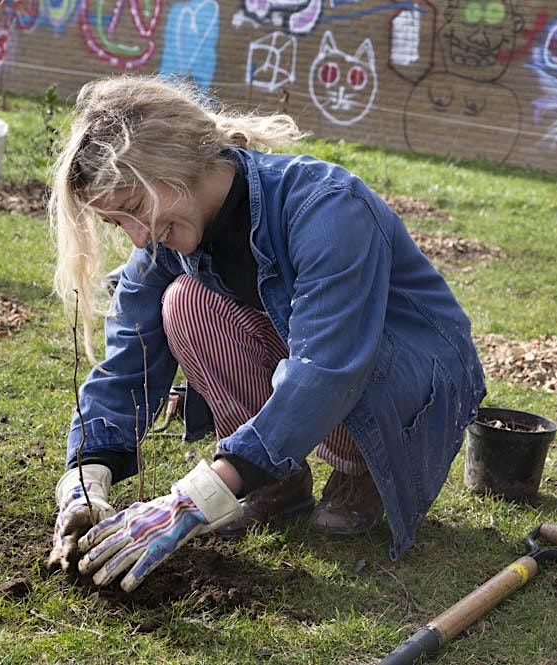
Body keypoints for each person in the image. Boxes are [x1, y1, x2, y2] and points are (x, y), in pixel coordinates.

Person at [45, 75, 486, 593]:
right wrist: (85, 480)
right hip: (324, 363)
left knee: (328, 362)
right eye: (121, 225)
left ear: (175, 166)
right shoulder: (167, 241)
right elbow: (128, 362)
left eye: (137, 210)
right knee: (184, 302)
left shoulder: (325, 206)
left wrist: (195, 497)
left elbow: (328, 368)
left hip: (405, 372)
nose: (140, 238)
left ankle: (363, 467)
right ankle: (275, 478)